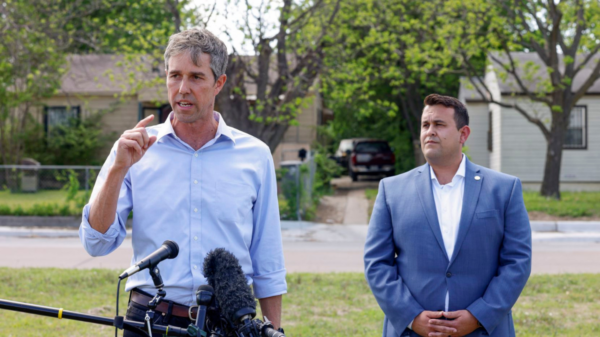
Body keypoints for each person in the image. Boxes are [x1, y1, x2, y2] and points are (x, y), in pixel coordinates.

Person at [79, 28, 286, 336]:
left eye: (196, 77)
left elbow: (267, 260)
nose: (183, 88)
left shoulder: (255, 155)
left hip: (228, 324)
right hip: (149, 320)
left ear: (219, 83)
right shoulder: (133, 149)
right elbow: (96, 243)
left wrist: (274, 329)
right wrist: (116, 171)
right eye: (175, 76)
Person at [364, 94, 531, 337]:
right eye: (425, 125)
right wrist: (411, 316)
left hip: (483, 331)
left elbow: (517, 262)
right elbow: (377, 263)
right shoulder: (392, 190)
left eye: (439, 125)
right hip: (412, 332)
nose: (430, 131)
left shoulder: (504, 189)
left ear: (463, 134)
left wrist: (479, 316)